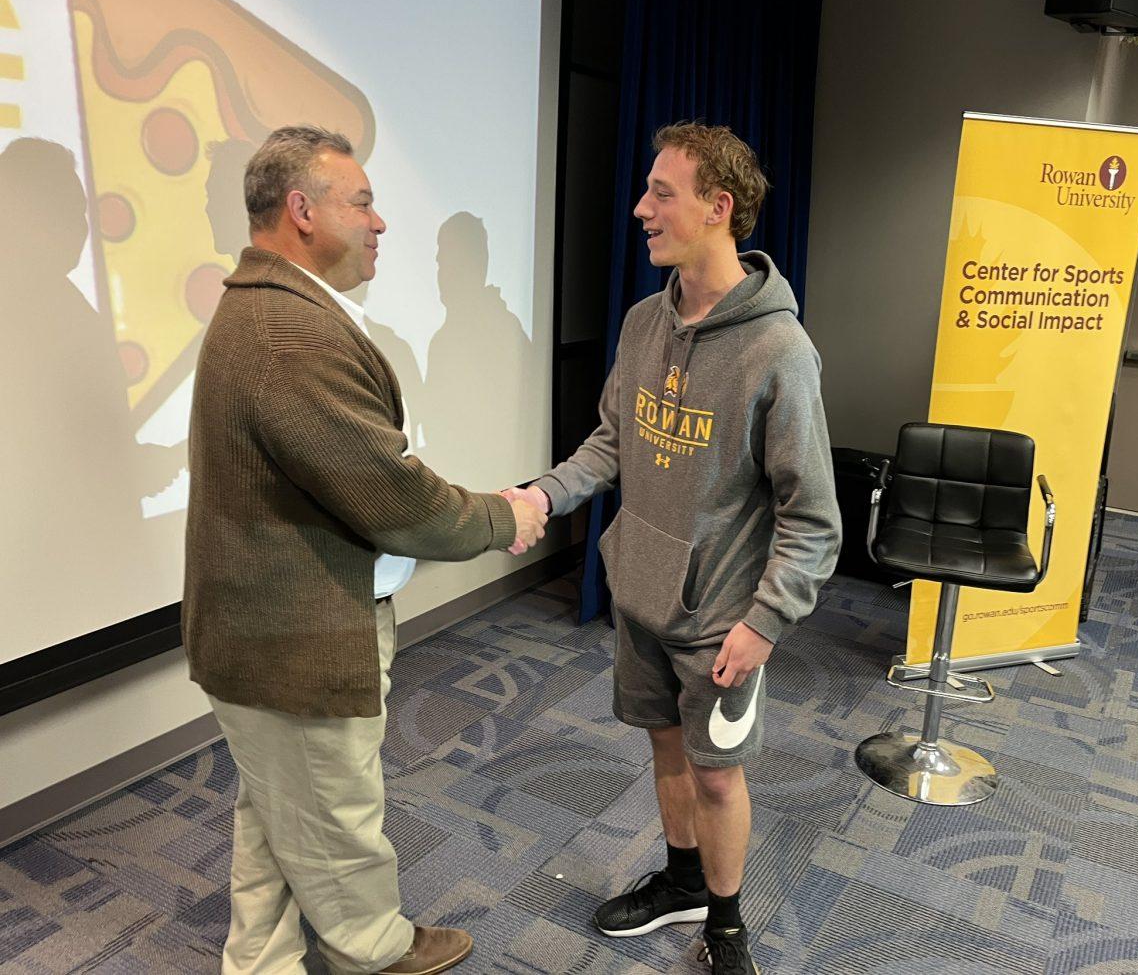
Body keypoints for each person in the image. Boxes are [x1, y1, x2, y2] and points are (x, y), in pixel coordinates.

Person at [182, 125, 546, 975]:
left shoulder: (281, 311)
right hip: (295, 643)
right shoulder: (288, 336)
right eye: (364, 202)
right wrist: (503, 517)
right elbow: (394, 497)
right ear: (302, 212)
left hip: (270, 634)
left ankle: (258, 962)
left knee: (281, 817)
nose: (381, 223)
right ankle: (375, 954)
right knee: (336, 825)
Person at [506, 122, 841, 974]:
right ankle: (683, 878)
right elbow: (612, 442)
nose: (640, 209)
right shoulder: (643, 323)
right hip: (643, 594)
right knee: (662, 744)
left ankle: (725, 924)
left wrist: (764, 623)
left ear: (718, 208)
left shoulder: (779, 351)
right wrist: (543, 494)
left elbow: (814, 517)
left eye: (662, 193)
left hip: (725, 618)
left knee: (720, 775)